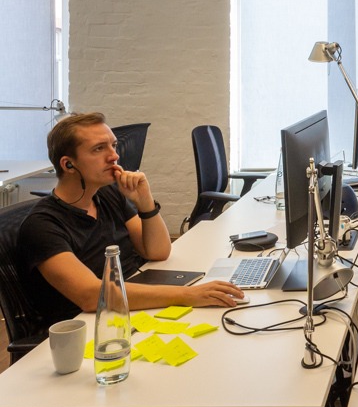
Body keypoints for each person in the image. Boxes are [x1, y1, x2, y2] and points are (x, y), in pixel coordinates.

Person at [18, 112, 245, 327]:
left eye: (113, 145)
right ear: (68, 164)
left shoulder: (107, 195)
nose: (114, 156)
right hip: (90, 326)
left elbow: (157, 251)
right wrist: (187, 295)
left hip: (131, 304)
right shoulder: (42, 226)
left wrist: (145, 202)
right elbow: (91, 295)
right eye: (99, 149)